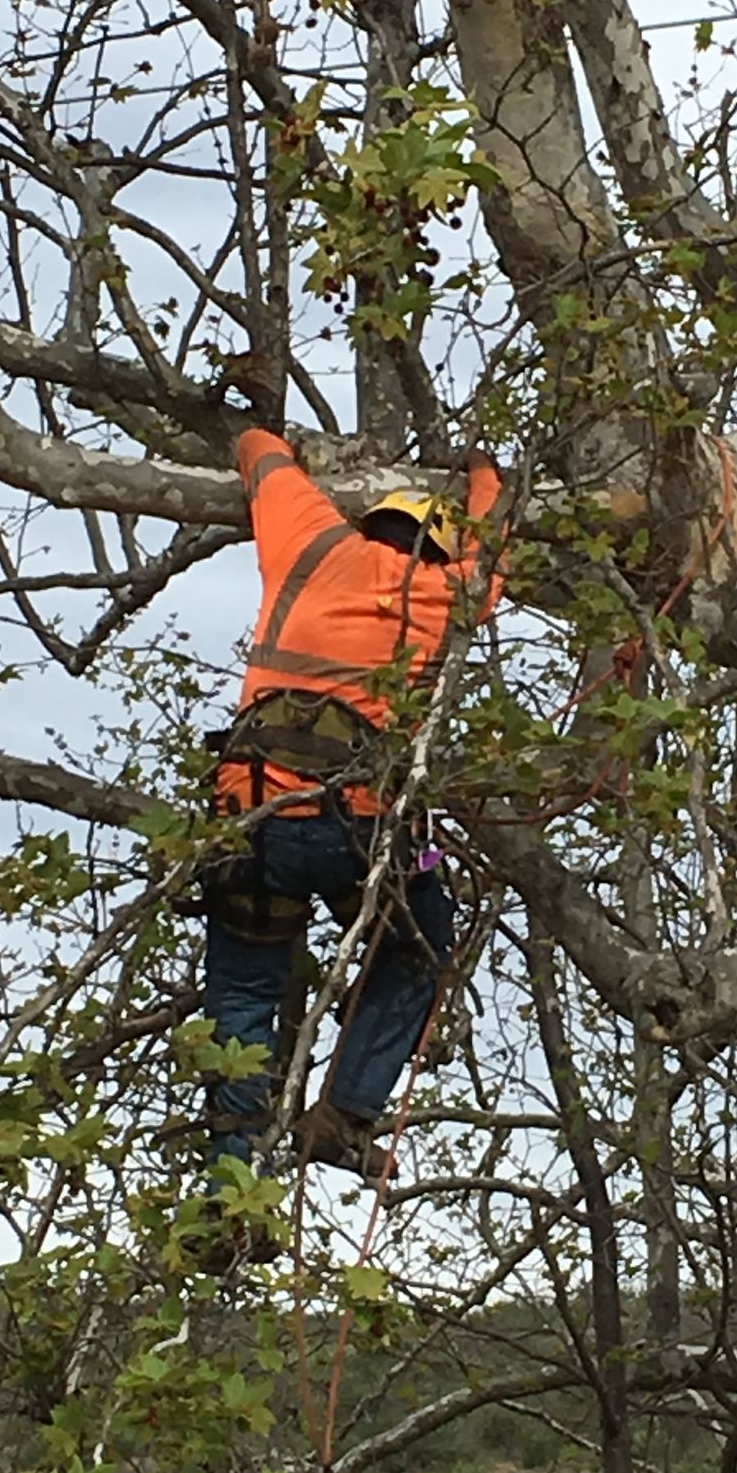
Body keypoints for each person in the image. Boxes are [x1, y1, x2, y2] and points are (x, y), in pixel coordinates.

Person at [199, 424, 504, 1192]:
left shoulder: (309, 546)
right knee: (419, 947)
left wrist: (266, 431)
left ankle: (231, 1188)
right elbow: (495, 540)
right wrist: (483, 472)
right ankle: (346, 1112)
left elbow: (262, 456)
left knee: (243, 994)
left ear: (367, 523)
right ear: (435, 550)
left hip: (252, 818)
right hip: (350, 829)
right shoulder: (444, 592)